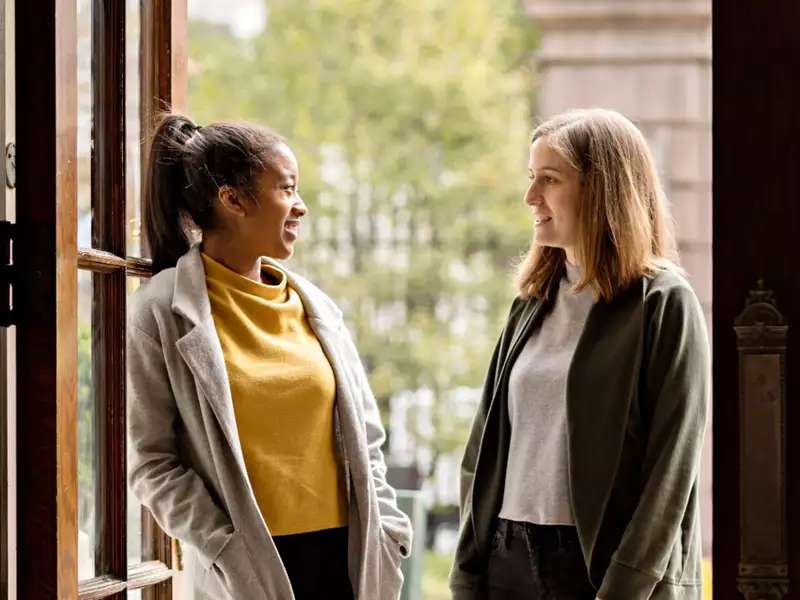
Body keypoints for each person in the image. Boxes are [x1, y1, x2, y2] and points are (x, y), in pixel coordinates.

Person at [127, 114, 412, 600]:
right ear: (233, 200)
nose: (300, 206)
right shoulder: (161, 309)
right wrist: (225, 547)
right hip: (250, 569)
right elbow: (152, 462)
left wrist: (387, 528)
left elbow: (366, 438)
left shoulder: (317, 307)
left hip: (348, 561)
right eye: (287, 189)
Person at [449, 108, 709, 600]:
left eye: (549, 180)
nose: (530, 197)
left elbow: (671, 472)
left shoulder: (663, 302)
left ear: (602, 190)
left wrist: (626, 586)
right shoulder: (531, 301)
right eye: (531, 179)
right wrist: (469, 567)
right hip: (507, 560)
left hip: (602, 571)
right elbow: (484, 447)